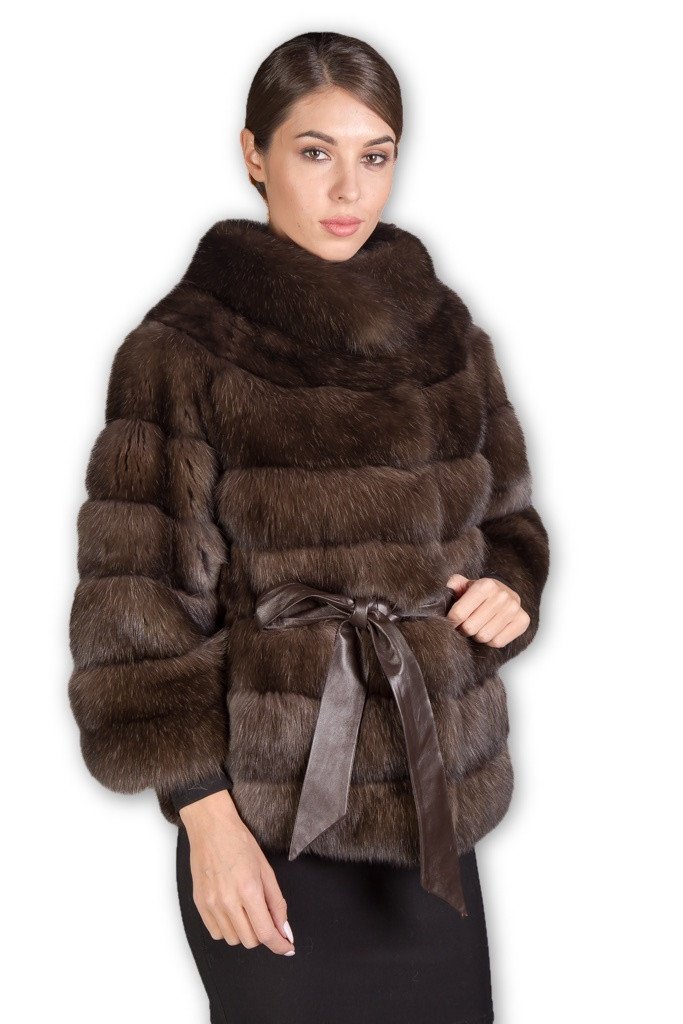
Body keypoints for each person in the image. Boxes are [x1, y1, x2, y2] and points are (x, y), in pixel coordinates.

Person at [67, 30, 550, 1024]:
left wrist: (508, 587)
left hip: (427, 815)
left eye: (374, 155)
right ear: (253, 153)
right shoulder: (179, 352)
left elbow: (507, 524)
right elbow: (135, 613)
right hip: (264, 821)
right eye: (314, 150)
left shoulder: (446, 337)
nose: (346, 189)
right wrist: (206, 818)